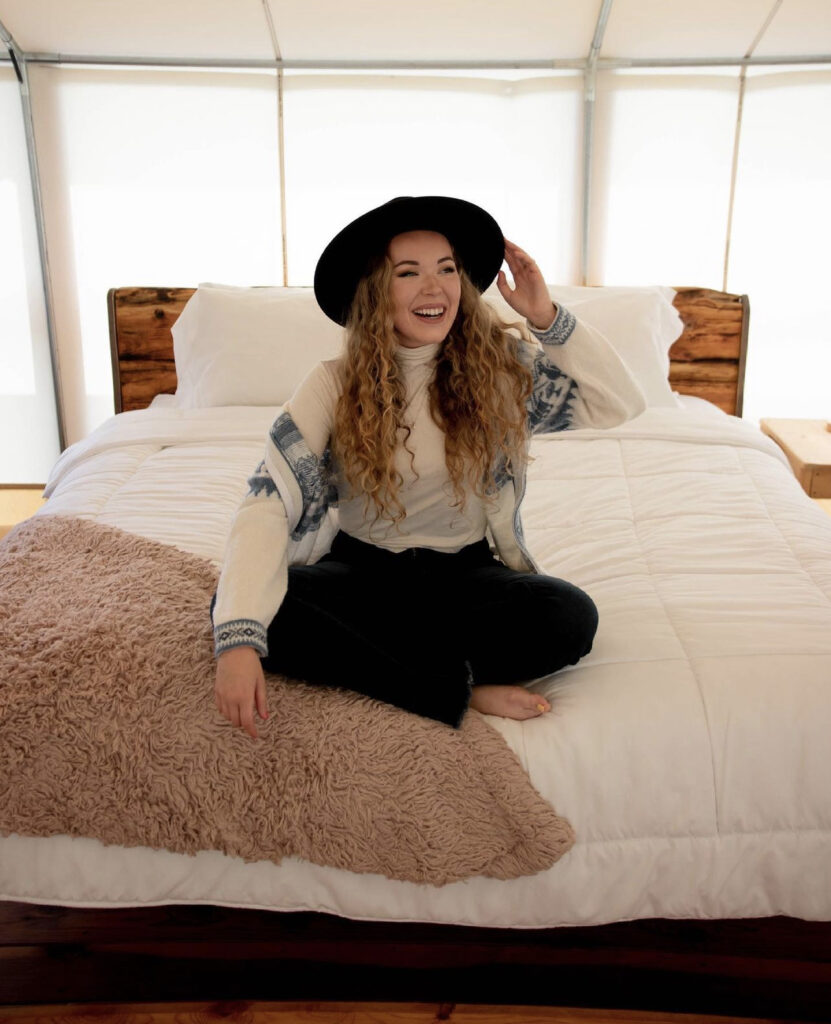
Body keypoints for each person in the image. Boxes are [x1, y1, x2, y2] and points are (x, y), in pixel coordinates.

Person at [213, 196, 645, 738]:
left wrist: (545, 317)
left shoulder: (501, 371)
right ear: (376, 291)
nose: (434, 287)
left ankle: (400, 668)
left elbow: (618, 403)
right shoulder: (332, 383)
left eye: (447, 269)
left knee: (569, 616)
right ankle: (460, 690)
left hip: (465, 576)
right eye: (408, 273)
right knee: (244, 614)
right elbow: (268, 502)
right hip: (363, 576)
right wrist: (238, 643)